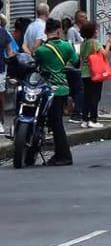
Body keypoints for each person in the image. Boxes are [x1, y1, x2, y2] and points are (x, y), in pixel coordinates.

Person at [32, 22, 79, 166]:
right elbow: (76, 62)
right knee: (56, 122)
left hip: (47, 91)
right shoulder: (67, 46)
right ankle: (59, 154)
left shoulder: (41, 50)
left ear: (46, 32)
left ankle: (64, 156)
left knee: (56, 123)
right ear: (59, 31)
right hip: (63, 89)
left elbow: (34, 65)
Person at [77, 21, 111, 128]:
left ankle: (84, 119)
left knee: (87, 97)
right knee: (95, 97)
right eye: (96, 29)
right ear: (92, 32)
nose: (97, 31)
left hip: (85, 73)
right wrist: (109, 43)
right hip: (95, 73)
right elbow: (105, 54)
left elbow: (81, 57)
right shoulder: (95, 42)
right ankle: (93, 119)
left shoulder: (83, 44)